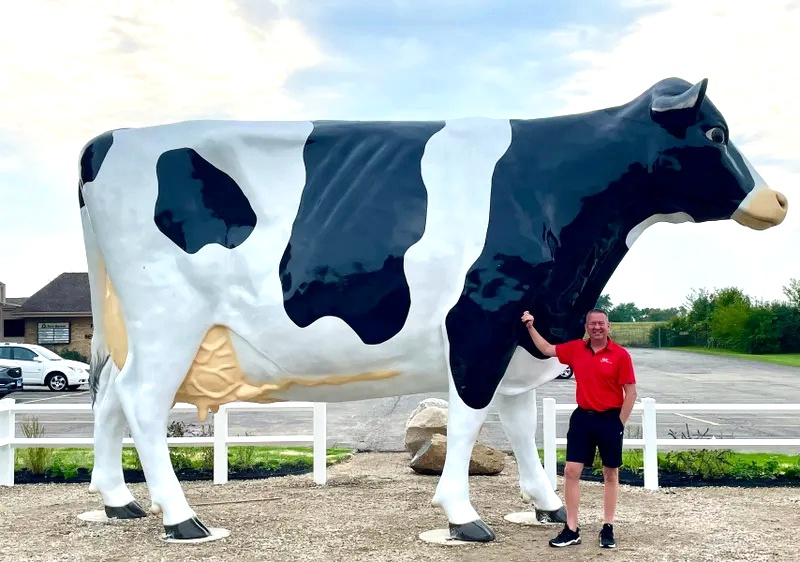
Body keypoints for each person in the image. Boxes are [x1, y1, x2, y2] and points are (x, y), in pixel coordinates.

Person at [521, 308, 637, 549]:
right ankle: (572, 528)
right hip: (582, 418)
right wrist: (531, 326)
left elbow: (631, 392)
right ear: (586, 327)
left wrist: (618, 423)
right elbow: (547, 350)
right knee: (572, 471)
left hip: (610, 419)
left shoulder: (620, 355)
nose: (597, 327)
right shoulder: (576, 349)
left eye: (601, 324)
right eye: (592, 324)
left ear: (608, 326)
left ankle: (607, 526)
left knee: (610, 474)